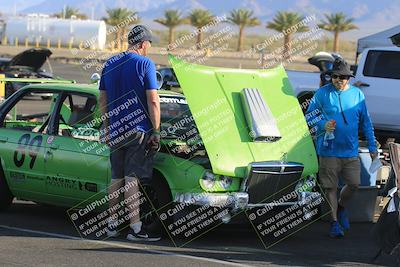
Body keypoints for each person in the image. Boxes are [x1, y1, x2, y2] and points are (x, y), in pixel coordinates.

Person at [99, 25, 161, 241]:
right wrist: (157, 130)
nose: (148, 49)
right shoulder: (145, 63)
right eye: (149, 45)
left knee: (116, 178)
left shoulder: (110, 63)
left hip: (115, 130)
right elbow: (153, 100)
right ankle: (136, 228)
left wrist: (107, 128)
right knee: (132, 179)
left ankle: (112, 225)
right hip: (138, 131)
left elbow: (103, 100)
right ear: (143, 43)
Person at [306, 58, 378, 238]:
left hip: (350, 151)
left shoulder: (357, 95)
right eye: (336, 76)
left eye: (344, 77)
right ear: (331, 77)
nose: (339, 80)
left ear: (349, 79)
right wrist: (323, 125)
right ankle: (334, 222)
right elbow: (309, 118)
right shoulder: (322, 94)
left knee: (354, 184)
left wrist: (371, 145)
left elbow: (366, 122)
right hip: (328, 150)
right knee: (330, 187)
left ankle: (342, 208)